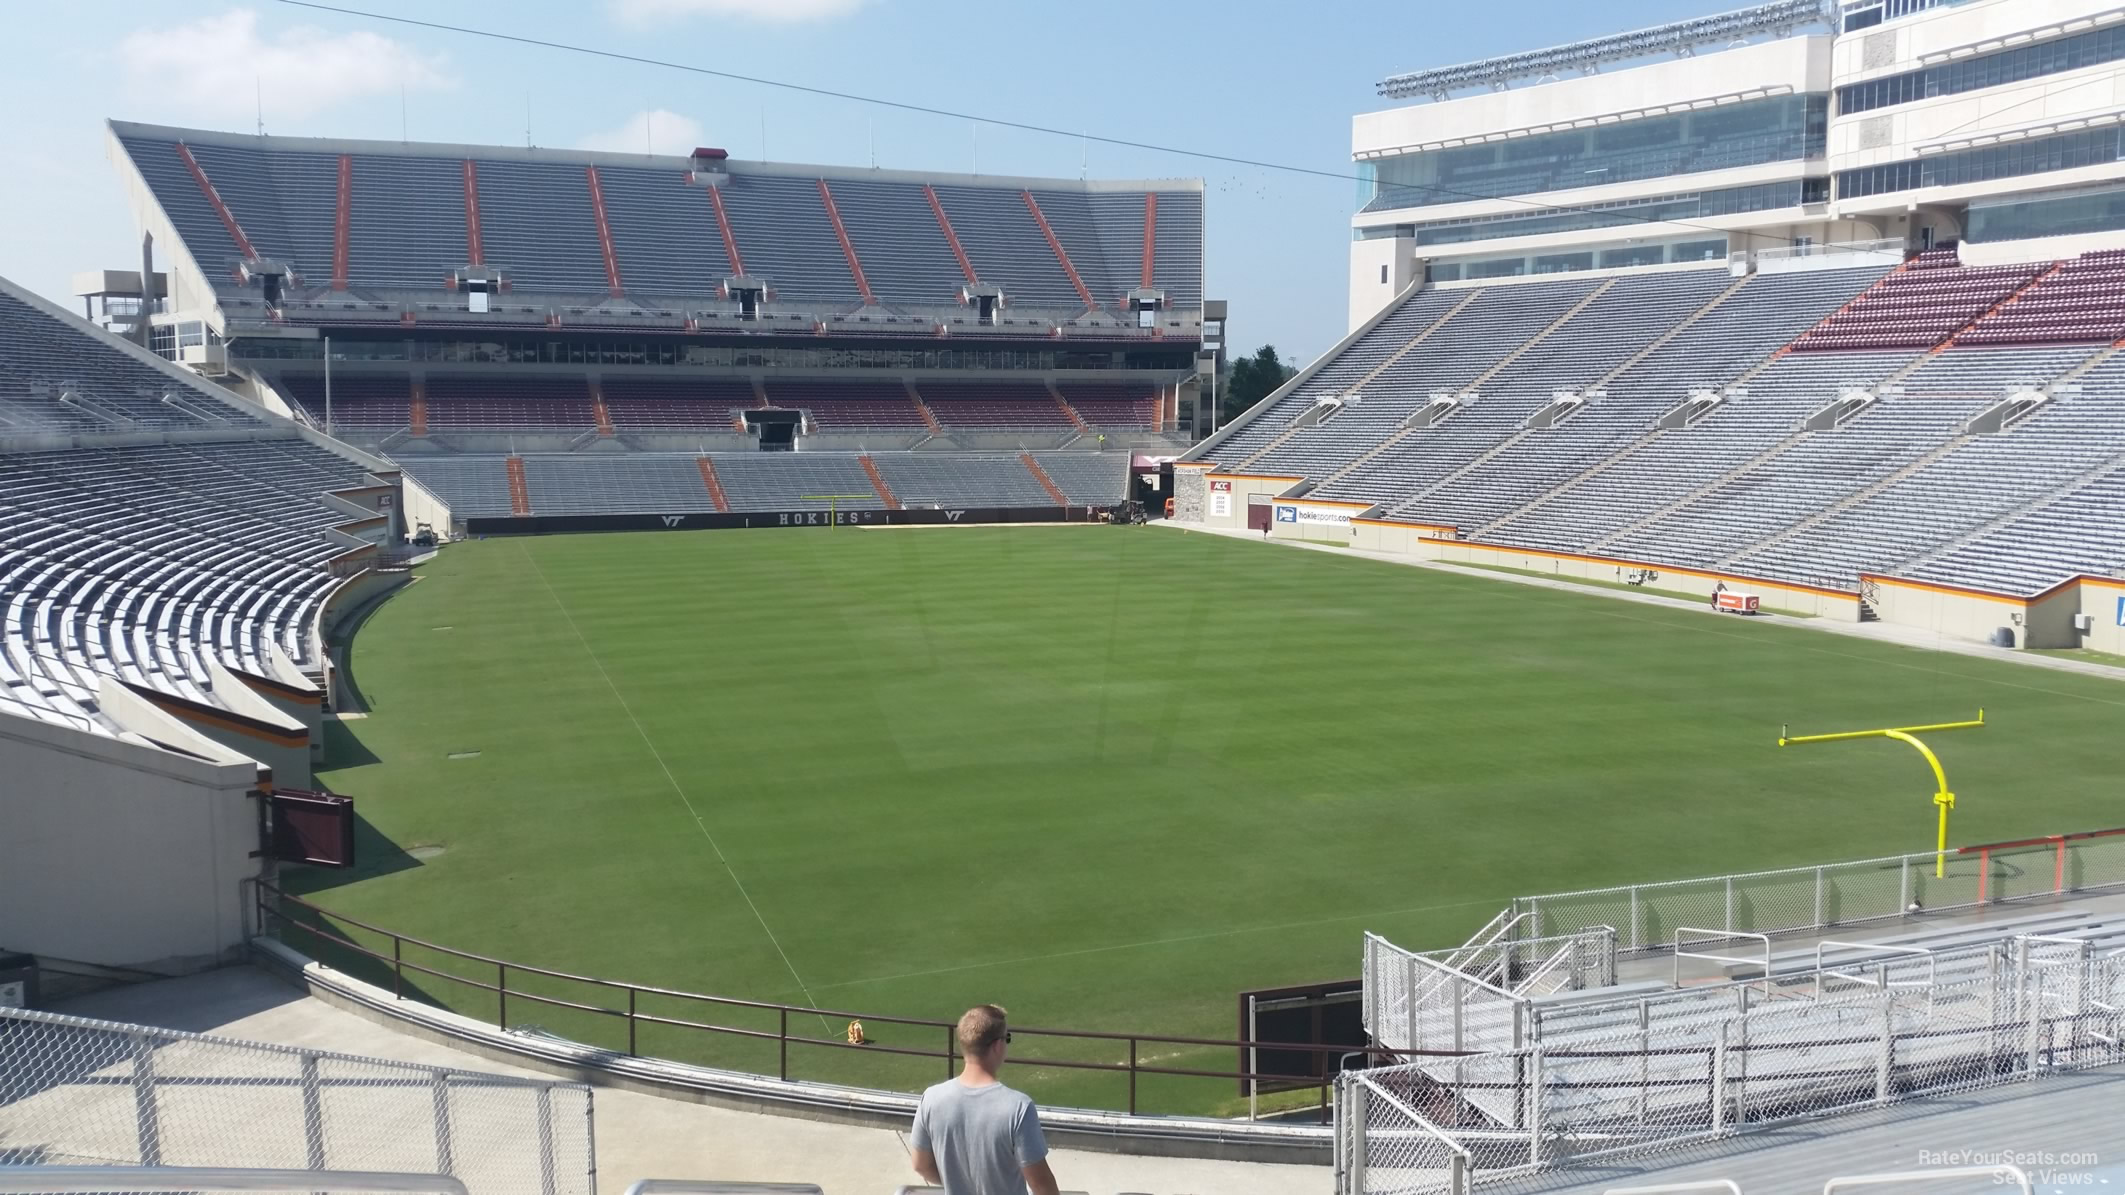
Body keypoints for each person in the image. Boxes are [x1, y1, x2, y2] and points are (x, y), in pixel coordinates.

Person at [910, 1005, 1058, 1195]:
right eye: (1007, 1038)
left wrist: (960, 1183)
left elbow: (920, 1165)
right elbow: (1040, 1184)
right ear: (997, 1045)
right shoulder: (1018, 1108)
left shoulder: (931, 1099)